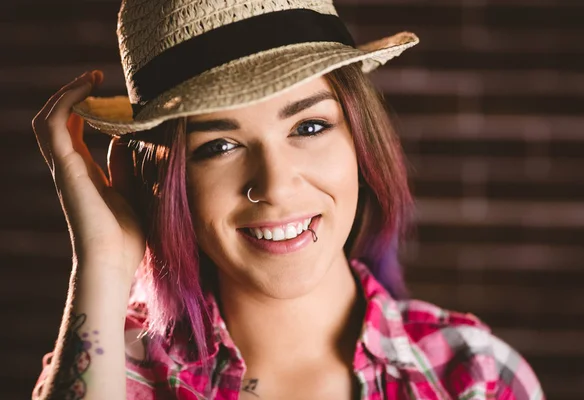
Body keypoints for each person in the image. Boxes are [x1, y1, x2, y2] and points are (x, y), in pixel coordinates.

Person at [31, 0, 545, 399]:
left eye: (310, 126)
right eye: (220, 146)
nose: (274, 185)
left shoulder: (476, 379)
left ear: (360, 144)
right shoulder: (112, 374)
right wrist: (101, 262)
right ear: (166, 180)